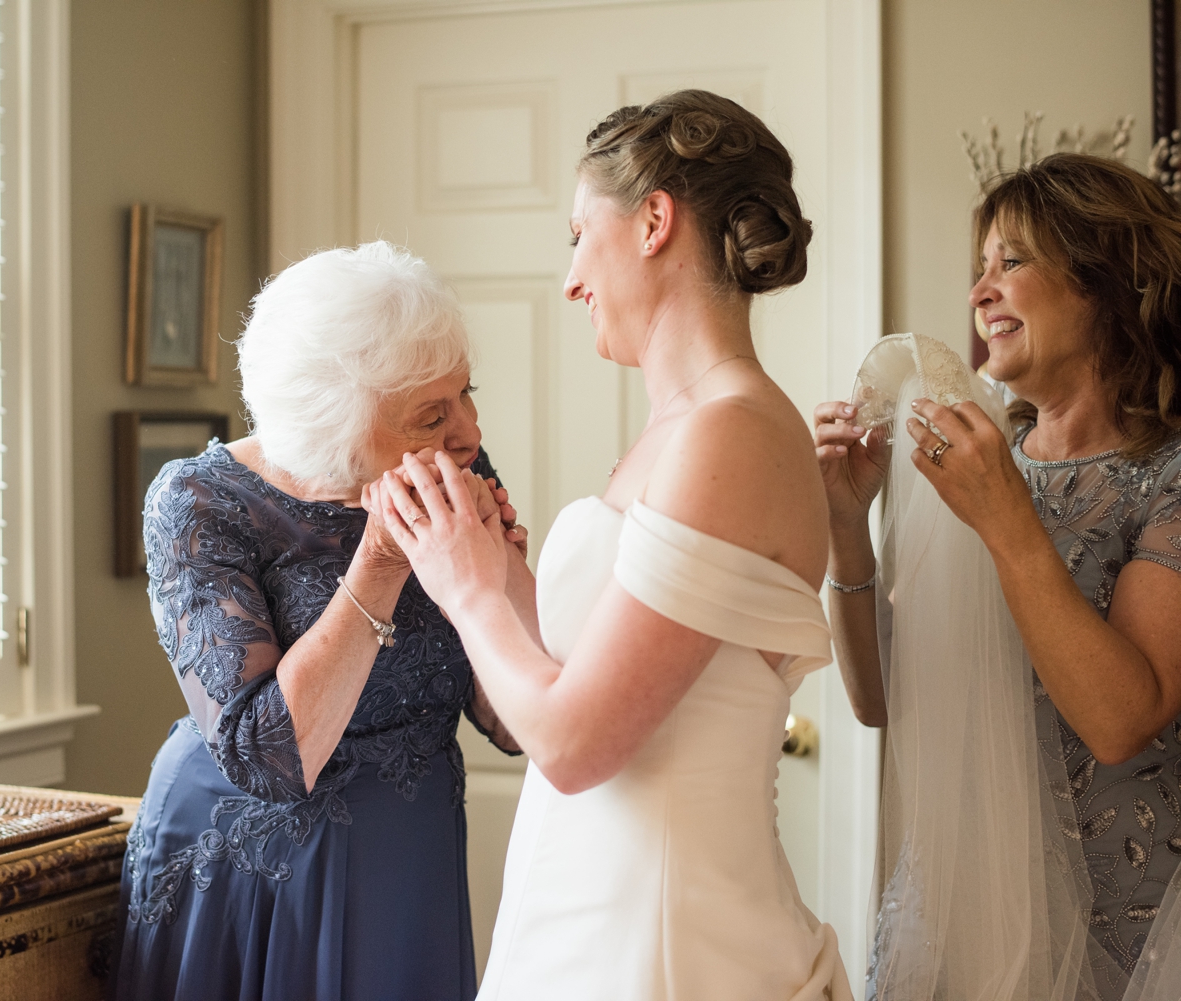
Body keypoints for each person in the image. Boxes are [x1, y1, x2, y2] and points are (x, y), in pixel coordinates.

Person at [368, 90, 852, 1000]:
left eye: (578, 234)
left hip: (666, 940)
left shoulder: (732, 433)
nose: (570, 279)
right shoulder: (683, 428)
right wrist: (504, 577)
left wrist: (466, 587)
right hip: (590, 906)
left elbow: (577, 743)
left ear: (654, 222)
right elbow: (589, 684)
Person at [109, 241, 532, 1001]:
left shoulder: (446, 463)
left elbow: (519, 723)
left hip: (408, 873)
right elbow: (269, 760)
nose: (468, 431)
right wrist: (379, 564)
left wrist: (502, 577)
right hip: (255, 885)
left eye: (467, 394)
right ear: (337, 425)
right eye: (433, 413)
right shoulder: (199, 504)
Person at [816, 153, 1181, 1001]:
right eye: (978, 269)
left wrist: (1006, 517)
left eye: (1011, 261)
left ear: (1107, 280)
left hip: (1120, 929)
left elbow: (1121, 720)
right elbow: (883, 700)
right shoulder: (975, 458)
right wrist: (845, 528)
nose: (982, 291)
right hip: (959, 916)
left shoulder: (1165, 477)